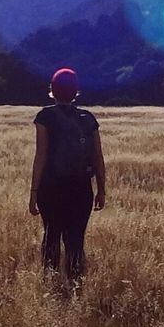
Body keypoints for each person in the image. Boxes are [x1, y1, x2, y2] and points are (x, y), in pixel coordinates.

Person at [28, 67, 106, 283]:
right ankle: (75, 287)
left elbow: (41, 156)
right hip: (81, 190)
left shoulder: (45, 117)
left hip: (51, 189)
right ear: (75, 92)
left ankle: (51, 285)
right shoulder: (87, 119)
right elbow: (98, 157)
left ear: (52, 90)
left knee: (51, 237)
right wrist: (101, 190)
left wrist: (34, 191)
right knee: (76, 241)